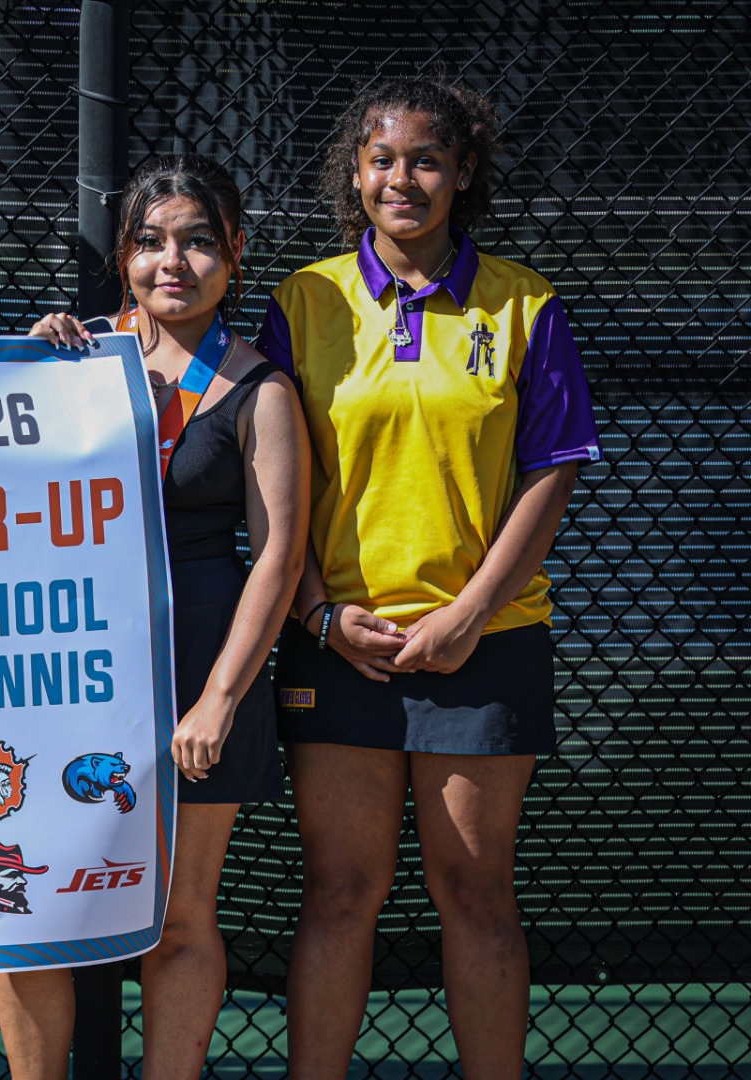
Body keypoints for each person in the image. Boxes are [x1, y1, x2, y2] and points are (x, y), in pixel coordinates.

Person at [256, 77, 600, 1080]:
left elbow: (553, 469)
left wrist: (470, 612)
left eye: (426, 160)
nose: (402, 179)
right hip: (340, 647)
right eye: (383, 160)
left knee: (478, 892)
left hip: (485, 644)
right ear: (354, 175)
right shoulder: (304, 300)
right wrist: (319, 614)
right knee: (338, 893)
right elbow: (273, 477)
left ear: (463, 173)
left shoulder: (524, 301)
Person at [25, 154, 309, 1079]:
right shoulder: (68, 358)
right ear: (123, 256)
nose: (171, 263)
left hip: (197, 660)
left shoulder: (260, 387)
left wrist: (220, 700)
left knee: (181, 916)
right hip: (63, 669)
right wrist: (21, 370)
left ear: (234, 254)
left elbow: (277, 553)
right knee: (32, 908)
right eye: (150, 243)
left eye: (196, 243)